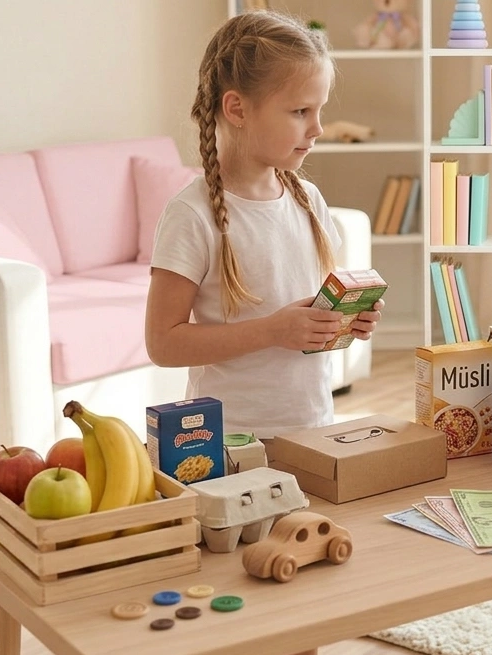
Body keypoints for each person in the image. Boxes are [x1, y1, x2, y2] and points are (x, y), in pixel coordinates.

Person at [145, 11, 383, 445]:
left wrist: (343, 321)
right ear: (236, 108)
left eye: (319, 110)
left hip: (314, 430)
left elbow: (303, 312)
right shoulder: (192, 215)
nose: (317, 128)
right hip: (228, 444)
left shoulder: (308, 201)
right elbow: (163, 343)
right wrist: (273, 331)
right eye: (299, 111)